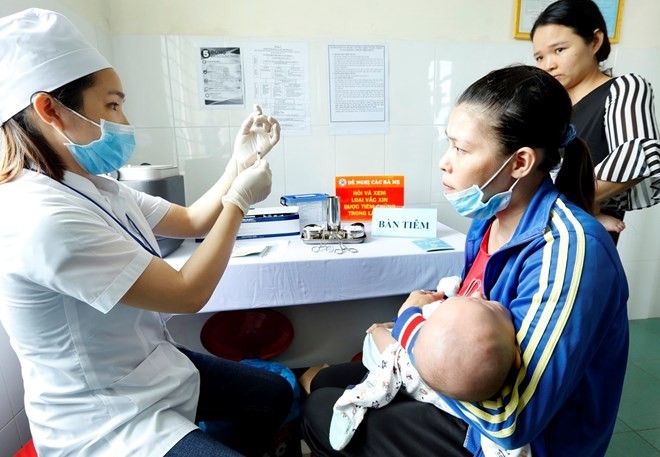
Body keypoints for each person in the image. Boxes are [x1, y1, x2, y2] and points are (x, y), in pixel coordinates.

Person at [0, 8, 292, 457]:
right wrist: (240, 201)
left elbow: (193, 219)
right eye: (112, 105)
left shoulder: (95, 186)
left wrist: (238, 163)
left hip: (148, 369)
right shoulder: (39, 215)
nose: (124, 120)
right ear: (49, 110)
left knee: (272, 395)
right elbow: (186, 293)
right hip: (103, 416)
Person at [301, 64, 629, 457]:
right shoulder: (488, 220)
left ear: (520, 163)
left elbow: (510, 421)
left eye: (462, 148)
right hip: (470, 399)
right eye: (449, 144)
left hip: (524, 441)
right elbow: (469, 336)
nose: (445, 161)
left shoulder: (569, 250)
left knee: (320, 410)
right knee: (328, 382)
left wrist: (408, 327)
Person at [329, 292, 524, 455]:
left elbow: (381, 380)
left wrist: (402, 318)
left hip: (409, 381)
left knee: (340, 390)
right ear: (517, 356)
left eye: (487, 305)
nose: (479, 295)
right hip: (451, 415)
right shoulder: (505, 416)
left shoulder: (412, 364)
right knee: (324, 382)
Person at [531, 0, 660, 244]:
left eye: (559, 50)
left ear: (595, 41)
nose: (549, 65)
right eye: (539, 57)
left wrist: (558, 203)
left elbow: (639, 155)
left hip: (581, 235)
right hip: (536, 228)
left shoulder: (624, 88)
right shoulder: (552, 105)